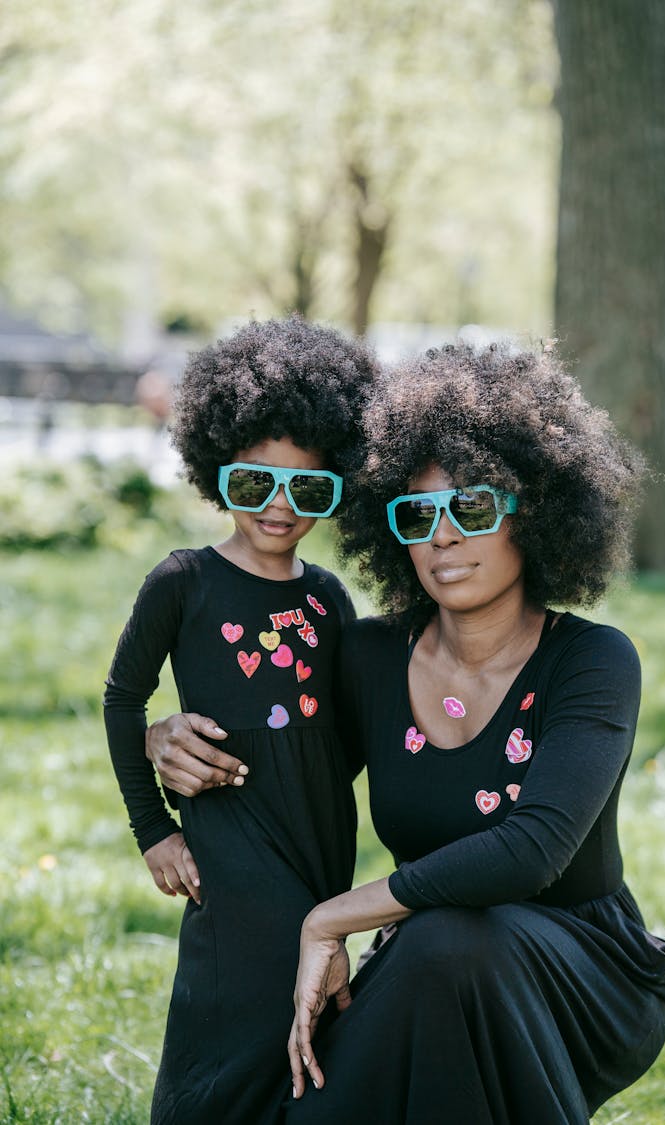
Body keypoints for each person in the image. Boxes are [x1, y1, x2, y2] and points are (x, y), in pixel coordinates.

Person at [146, 341, 665, 1124]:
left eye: (471, 507)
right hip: (433, 957)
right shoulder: (366, 656)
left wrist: (333, 917)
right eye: (416, 512)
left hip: (584, 973)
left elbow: (532, 851)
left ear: (528, 513)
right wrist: (160, 739)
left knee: (449, 943)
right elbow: (275, 754)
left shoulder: (593, 661)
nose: (441, 535)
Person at [103, 316, 375, 1125]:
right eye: (257, 483)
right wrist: (154, 827)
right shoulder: (182, 582)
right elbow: (124, 698)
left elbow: (344, 733)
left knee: (315, 1017)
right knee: (234, 1011)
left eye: (310, 489)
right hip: (230, 849)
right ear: (216, 474)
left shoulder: (328, 597)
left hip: (320, 844)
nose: (281, 508)